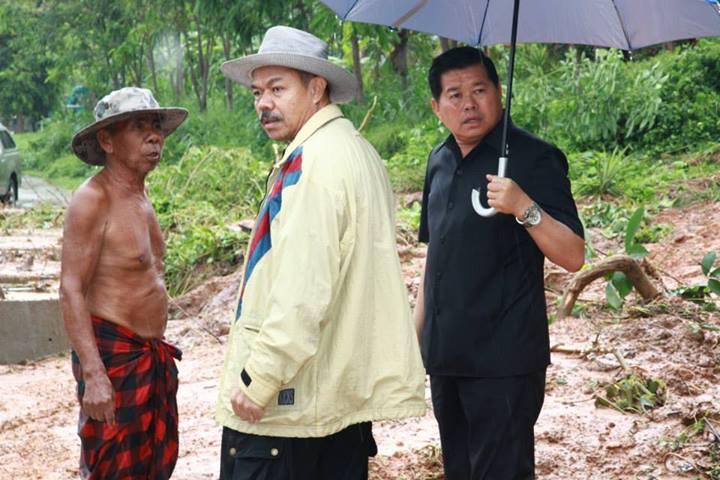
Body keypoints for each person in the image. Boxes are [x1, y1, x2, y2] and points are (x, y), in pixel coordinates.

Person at [216, 25, 426, 480]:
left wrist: (260, 379)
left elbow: (302, 292)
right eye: (257, 92)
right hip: (338, 403)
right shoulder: (357, 151)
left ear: (316, 89)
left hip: (290, 412)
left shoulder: (312, 165)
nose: (263, 103)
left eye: (277, 89)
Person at [414, 46, 586, 479]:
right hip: (446, 357)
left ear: (499, 92)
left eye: (479, 90)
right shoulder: (439, 161)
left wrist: (523, 206)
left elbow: (573, 255)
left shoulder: (534, 158)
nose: (469, 104)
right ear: (436, 107)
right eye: (455, 95)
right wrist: (415, 341)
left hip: (503, 362)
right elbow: (435, 259)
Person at [60, 87, 188, 480]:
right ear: (107, 140)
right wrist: (94, 374)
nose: (154, 137)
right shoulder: (93, 199)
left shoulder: (140, 196)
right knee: (113, 470)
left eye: (156, 126)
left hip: (150, 358)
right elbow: (71, 289)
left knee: (153, 466)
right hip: (115, 360)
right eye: (138, 127)